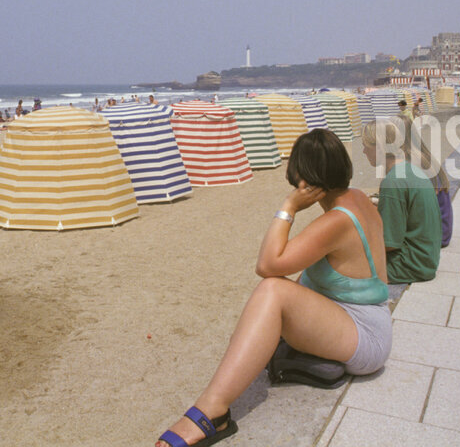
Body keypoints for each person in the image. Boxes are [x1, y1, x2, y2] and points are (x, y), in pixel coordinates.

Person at [155, 130, 389, 447]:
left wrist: (289, 207)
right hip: (366, 319)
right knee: (272, 297)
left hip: (366, 335)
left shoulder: (337, 220)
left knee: (271, 289)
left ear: (306, 180)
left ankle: (212, 412)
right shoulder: (357, 198)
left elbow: (266, 264)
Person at [360, 119, 441, 288]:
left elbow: (389, 243)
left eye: (367, 146)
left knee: (333, 267)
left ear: (380, 147)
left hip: (408, 265)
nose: (363, 151)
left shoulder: (393, 181)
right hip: (425, 258)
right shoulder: (411, 171)